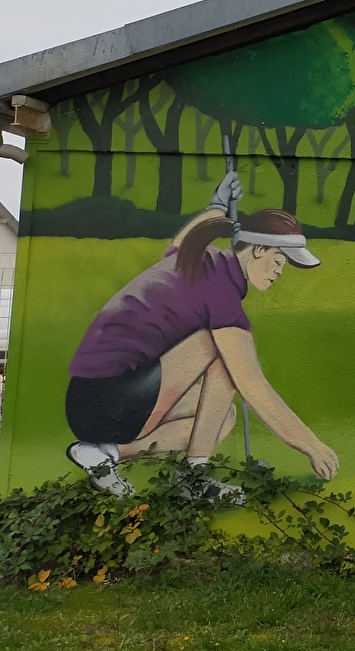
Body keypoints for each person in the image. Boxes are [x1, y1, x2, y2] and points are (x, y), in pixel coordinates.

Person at [63, 172, 337, 498]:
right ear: (259, 249)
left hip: (90, 403)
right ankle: (195, 478)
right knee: (223, 357)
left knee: (221, 419)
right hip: (110, 401)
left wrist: (216, 206)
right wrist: (312, 446)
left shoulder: (194, 259)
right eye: (279, 260)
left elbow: (184, 238)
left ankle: (107, 455)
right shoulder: (221, 294)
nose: (280, 271)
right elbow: (254, 387)